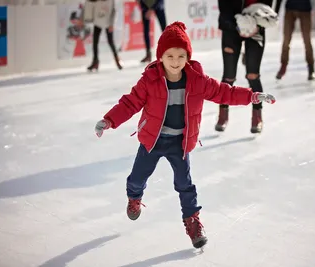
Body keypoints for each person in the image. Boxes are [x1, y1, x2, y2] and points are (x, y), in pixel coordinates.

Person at [94, 22, 276, 249]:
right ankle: (134, 198)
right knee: (137, 178)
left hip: (180, 143)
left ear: (188, 57)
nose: (175, 61)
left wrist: (253, 97)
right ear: (160, 56)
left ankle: (193, 221)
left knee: (185, 184)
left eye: (181, 56)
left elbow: (224, 92)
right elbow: (130, 103)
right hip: (153, 140)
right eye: (169, 55)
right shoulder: (149, 80)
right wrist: (109, 120)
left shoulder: (197, 80)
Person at [215, 0, 277, 134]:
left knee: (253, 75)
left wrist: (259, 21)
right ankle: (223, 115)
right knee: (229, 76)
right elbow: (224, 7)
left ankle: (257, 117)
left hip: (256, 28)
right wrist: (236, 25)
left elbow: (266, 6)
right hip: (231, 27)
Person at [274, 0, 315, 81]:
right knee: (286, 40)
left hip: (305, 9)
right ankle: (283, 66)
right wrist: (275, 13)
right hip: (290, 9)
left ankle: (311, 68)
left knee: (307, 40)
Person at [82, 0, 123, 71]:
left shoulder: (111, 1)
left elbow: (114, 11)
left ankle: (117, 60)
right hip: (98, 22)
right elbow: (89, 4)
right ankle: (95, 61)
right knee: (95, 42)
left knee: (111, 42)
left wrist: (112, 24)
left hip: (108, 22)